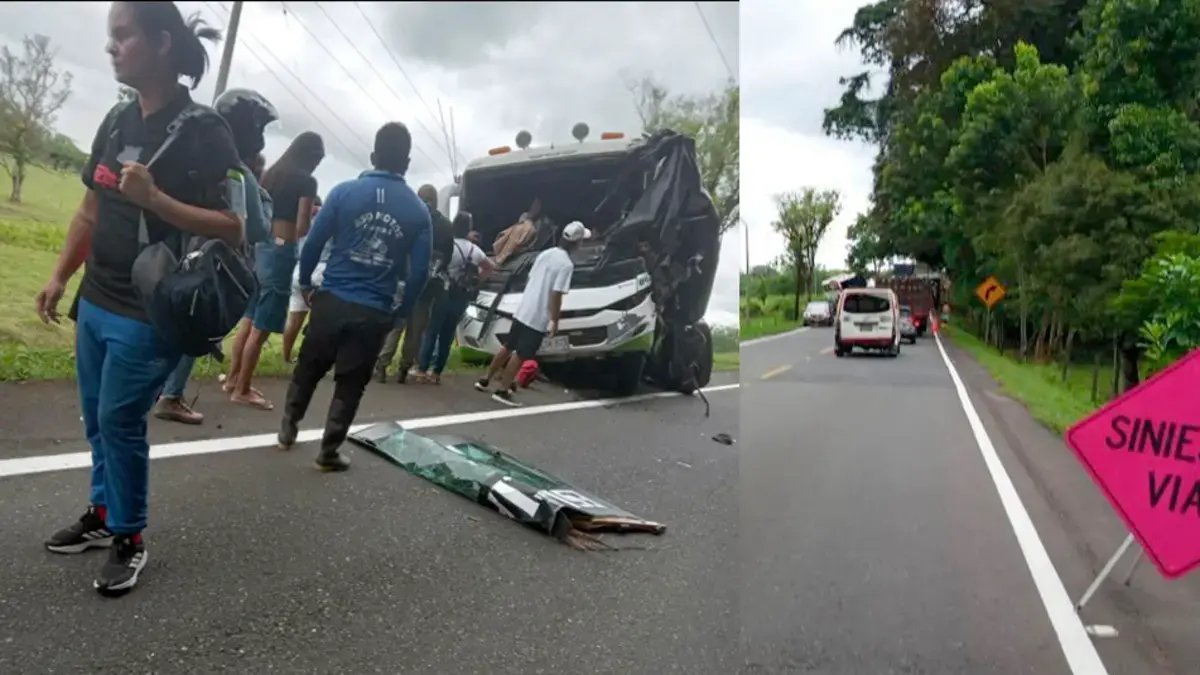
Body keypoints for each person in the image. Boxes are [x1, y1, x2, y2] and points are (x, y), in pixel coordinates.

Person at [34, 1, 245, 594]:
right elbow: (90, 208)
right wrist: (58, 276)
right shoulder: (117, 120)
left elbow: (234, 228)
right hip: (96, 297)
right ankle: (104, 515)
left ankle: (130, 536)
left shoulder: (205, 131)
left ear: (160, 43)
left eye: (122, 36)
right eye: (109, 37)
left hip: (149, 308)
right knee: (97, 420)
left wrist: (159, 202)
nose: (111, 47)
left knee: (119, 421)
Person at [278, 122, 432, 471]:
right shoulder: (418, 211)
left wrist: (305, 283)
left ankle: (288, 426)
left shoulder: (343, 193)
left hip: (332, 298)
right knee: (350, 383)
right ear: (406, 163)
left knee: (310, 366)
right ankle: (329, 450)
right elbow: (419, 272)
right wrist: (402, 311)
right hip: (375, 308)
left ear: (374, 155)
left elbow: (314, 244)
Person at [153, 88, 279, 425]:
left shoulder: (189, 149)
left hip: (168, 253)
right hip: (209, 262)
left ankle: (159, 389)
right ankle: (172, 395)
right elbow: (256, 230)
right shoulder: (239, 171)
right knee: (195, 323)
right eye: (260, 129)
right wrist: (264, 200)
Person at [223, 131, 325, 410]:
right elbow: (303, 225)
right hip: (281, 250)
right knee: (264, 324)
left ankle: (233, 379)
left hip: (259, 248)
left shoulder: (272, 174)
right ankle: (242, 388)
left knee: (249, 316)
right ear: (312, 157)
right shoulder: (307, 180)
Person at [474, 221, 590, 407]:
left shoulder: (545, 254)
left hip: (524, 308)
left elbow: (531, 277)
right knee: (521, 353)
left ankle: (485, 379)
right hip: (538, 316)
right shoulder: (566, 265)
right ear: (577, 243)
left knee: (508, 346)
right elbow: (556, 293)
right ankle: (503, 389)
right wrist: (554, 320)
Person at [374, 183, 454, 383]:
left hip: (405, 279)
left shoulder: (412, 218)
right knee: (416, 329)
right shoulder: (445, 225)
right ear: (436, 201)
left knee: (396, 325)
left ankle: (382, 366)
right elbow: (448, 257)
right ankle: (404, 368)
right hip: (428, 285)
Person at [415, 210, 495, 384]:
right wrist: (476, 281)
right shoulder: (475, 250)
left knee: (432, 331)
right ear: (469, 228)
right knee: (447, 334)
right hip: (463, 296)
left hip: (444, 291)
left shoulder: (449, 245)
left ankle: (422, 370)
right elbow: (490, 267)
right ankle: (436, 373)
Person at [282, 195, 324, 363]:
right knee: (320, 320)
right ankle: (311, 358)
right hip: (320, 268)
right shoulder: (325, 219)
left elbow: (284, 241)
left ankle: (286, 357)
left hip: (297, 269)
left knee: (294, 320)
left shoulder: (298, 222)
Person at [491, 197, 542, 265]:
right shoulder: (524, 220)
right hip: (508, 254)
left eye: (537, 206)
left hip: (512, 255)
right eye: (534, 205)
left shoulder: (533, 227)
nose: (535, 208)